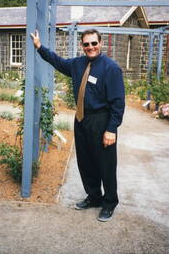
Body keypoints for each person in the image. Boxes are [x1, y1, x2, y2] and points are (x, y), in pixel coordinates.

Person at [30, 29, 125, 222]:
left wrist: (111, 129)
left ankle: (109, 203)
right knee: (85, 162)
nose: (90, 47)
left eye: (93, 43)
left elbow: (118, 102)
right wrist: (39, 47)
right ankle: (94, 197)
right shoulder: (77, 64)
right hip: (81, 119)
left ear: (101, 43)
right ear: (82, 45)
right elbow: (57, 61)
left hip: (101, 120)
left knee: (105, 165)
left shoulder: (111, 68)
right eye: (86, 44)